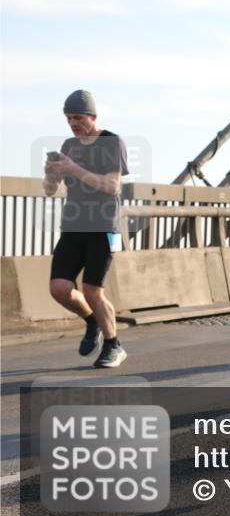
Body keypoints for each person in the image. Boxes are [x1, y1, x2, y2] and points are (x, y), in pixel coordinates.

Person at [44, 89, 129, 368]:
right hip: (72, 226)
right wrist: (51, 174)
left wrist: (74, 167)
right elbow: (49, 191)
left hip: (103, 226)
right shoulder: (69, 144)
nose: (73, 123)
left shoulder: (111, 142)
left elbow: (112, 186)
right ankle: (92, 320)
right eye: (69, 119)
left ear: (93, 116)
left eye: (78, 117)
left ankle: (114, 345)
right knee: (59, 288)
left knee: (93, 291)